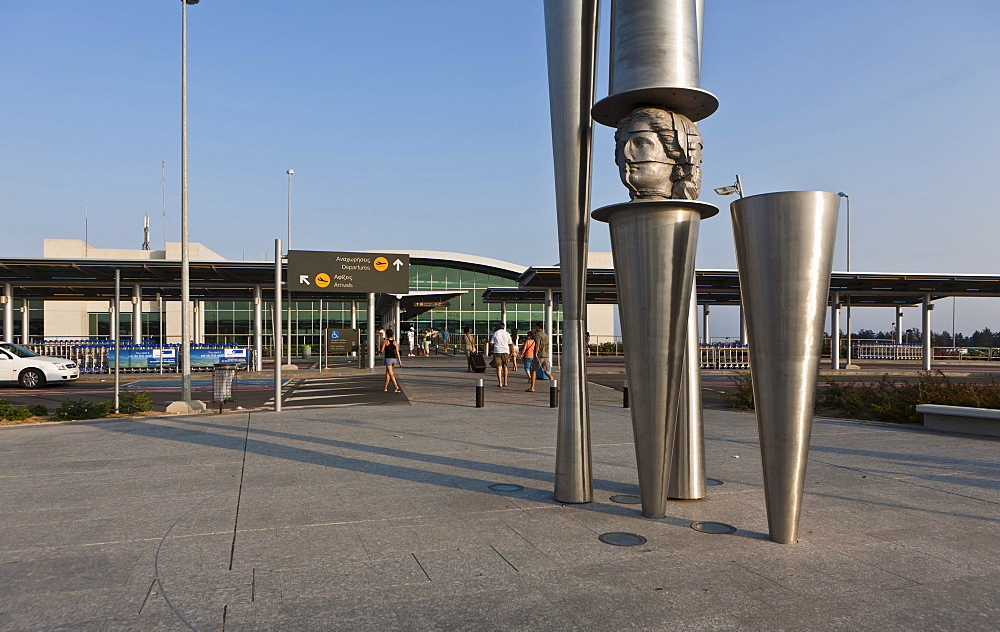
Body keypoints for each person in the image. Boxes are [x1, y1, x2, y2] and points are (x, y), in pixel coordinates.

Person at [489, 323, 513, 387]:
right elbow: (510, 343)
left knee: (499, 367)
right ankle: (505, 382)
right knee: (505, 366)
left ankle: (500, 383)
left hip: (497, 351)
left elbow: (491, 343)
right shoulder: (507, 333)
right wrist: (512, 351)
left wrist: (489, 351)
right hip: (505, 351)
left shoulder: (495, 333)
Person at [379, 328, 402, 392]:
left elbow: (382, 350)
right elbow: (397, 352)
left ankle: (396, 386)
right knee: (388, 373)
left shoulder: (386, 341)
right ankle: (385, 387)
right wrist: (399, 360)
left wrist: (379, 351)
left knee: (391, 374)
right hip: (394, 359)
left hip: (388, 359)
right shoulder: (395, 342)